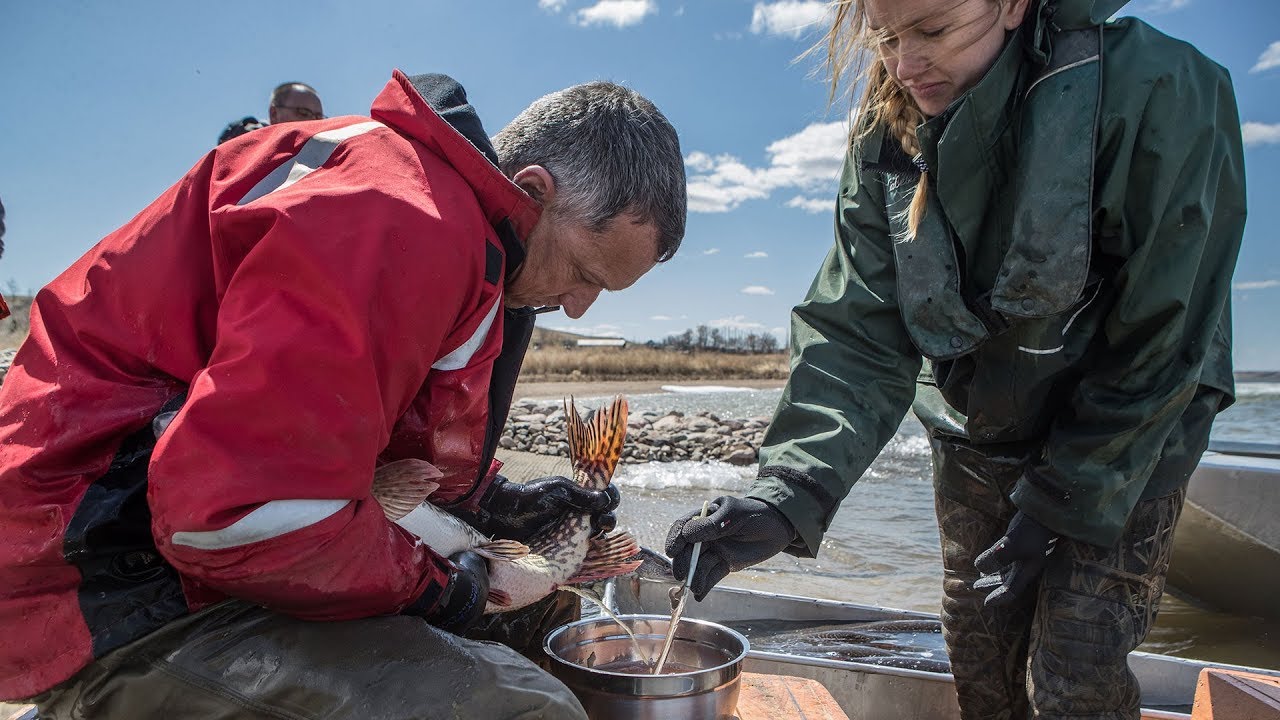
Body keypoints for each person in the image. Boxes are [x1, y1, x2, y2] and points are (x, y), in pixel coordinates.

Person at [0, 70, 686, 719]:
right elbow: (231, 515)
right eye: (583, 274)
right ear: (531, 191)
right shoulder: (398, 219)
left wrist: (496, 503)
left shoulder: (460, 231)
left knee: (556, 628)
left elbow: (364, 433)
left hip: (170, 548)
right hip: (103, 593)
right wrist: (450, 591)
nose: (579, 310)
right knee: (532, 710)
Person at [665, 0, 1245, 718]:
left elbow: (1168, 330)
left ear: (1009, 5)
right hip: (979, 424)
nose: (905, 65)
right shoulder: (887, 137)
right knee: (979, 650)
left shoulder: (1157, 89)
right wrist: (786, 495)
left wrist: (1062, 502)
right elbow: (857, 331)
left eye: (933, 31)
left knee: (1074, 666)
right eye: (886, 38)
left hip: (1131, 427)